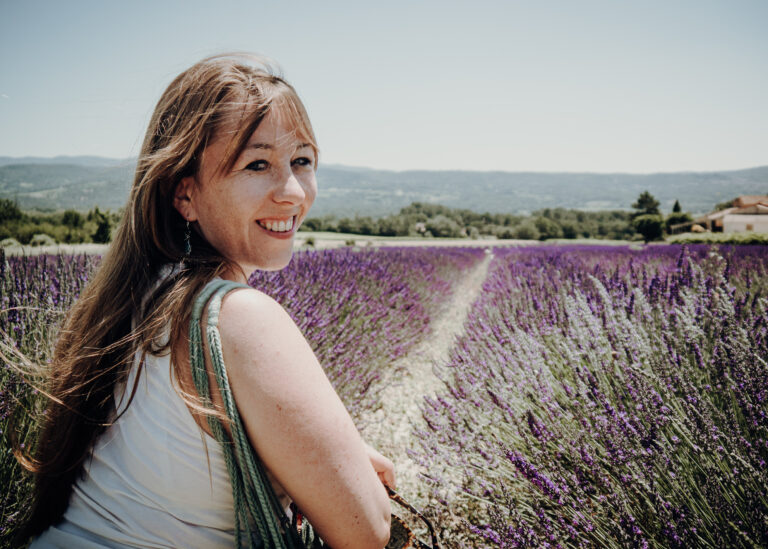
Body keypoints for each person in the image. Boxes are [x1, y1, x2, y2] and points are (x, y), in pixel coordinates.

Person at [20, 53, 393, 548]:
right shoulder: (240, 317)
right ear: (185, 195)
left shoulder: (131, 302)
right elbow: (366, 530)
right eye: (257, 164)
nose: (292, 192)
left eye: (301, 161)